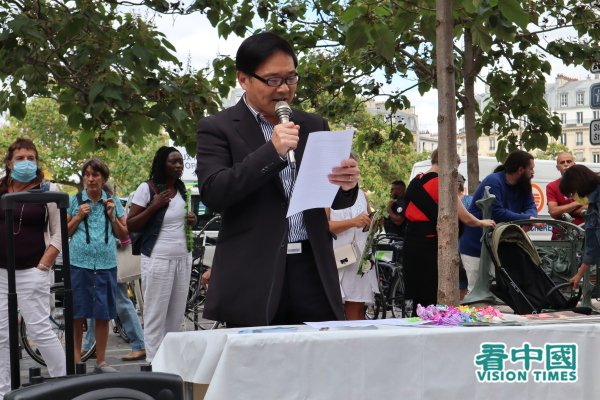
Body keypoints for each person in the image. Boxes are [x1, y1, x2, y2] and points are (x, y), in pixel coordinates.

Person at [195, 31, 359, 327]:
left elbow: (331, 196)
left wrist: (347, 185)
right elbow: (214, 192)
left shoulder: (312, 123)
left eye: (291, 78)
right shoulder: (218, 128)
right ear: (243, 79)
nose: (284, 89)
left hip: (312, 267)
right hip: (254, 272)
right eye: (272, 80)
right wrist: (272, 152)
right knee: (257, 367)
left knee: (318, 364)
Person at [0, 138, 66, 398]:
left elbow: (59, 234)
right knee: (1, 335)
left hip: (32, 270)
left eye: (31, 158)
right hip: (1, 272)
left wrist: (43, 266)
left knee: (40, 331)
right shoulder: (1, 189)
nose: (26, 162)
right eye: (20, 158)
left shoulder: (47, 191)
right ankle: (4, 391)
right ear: (9, 163)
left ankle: (64, 387)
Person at [126, 146, 195, 363]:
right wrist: (154, 206)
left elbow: (178, 219)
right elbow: (130, 224)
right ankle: (154, 364)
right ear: (161, 164)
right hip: (158, 259)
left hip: (183, 258)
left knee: (175, 317)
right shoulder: (147, 188)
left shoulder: (183, 188)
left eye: (180, 162)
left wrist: (192, 220)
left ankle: (172, 364)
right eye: (173, 162)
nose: (178, 166)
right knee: (156, 315)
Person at [403, 150, 495, 312]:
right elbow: (465, 217)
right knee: (432, 295)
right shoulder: (443, 184)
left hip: (411, 242)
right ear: (452, 164)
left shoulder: (415, 181)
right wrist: (482, 222)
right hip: (431, 244)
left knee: (419, 298)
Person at [67, 158, 128, 373]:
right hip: (78, 263)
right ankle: (76, 361)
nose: (91, 179)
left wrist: (112, 217)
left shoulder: (113, 202)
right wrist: (77, 216)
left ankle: (101, 361)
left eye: (95, 175)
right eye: (87, 175)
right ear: (83, 178)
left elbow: (124, 234)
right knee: (77, 313)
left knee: (103, 314)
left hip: (105, 264)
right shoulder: (74, 200)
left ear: (103, 179)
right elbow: (64, 232)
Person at [82, 185, 146, 362]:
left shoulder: (111, 205)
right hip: (97, 263)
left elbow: (125, 237)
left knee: (121, 303)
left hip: (111, 263)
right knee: (97, 304)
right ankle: (90, 346)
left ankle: (139, 344)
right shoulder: (92, 206)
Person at [459, 150, 538, 292]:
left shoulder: (524, 185)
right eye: (531, 168)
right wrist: (526, 219)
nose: (533, 172)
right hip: (476, 245)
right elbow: (497, 212)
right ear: (520, 170)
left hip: (500, 246)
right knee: (477, 291)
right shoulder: (493, 181)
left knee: (504, 290)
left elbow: (531, 206)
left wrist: (530, 219)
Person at [326, 177, 378, 320]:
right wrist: (352, 222)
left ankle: (358, 340)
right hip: (338, 256)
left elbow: (366, 219)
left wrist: (373, 221)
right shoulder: (327, 195)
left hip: (360, 256)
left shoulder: (361, 194)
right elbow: (324, 226)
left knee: (358, 306)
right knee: (335, 308)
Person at [558, 165, 600, 288]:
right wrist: (579, 275)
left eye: (572, 192)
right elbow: (592, 244)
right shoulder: (593, 206)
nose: (572, 197)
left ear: (579, 185)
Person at [546, 152, 586, 233]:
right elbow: (553, 211)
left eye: (568, 161)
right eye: (562, 162)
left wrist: (563, 211)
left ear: (574, 164)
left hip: (585, 233)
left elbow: (590, 207)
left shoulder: (586, 183)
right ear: (557, 167)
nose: (566, 164)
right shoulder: (551, 186)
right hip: (561, 236)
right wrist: (578, 203)